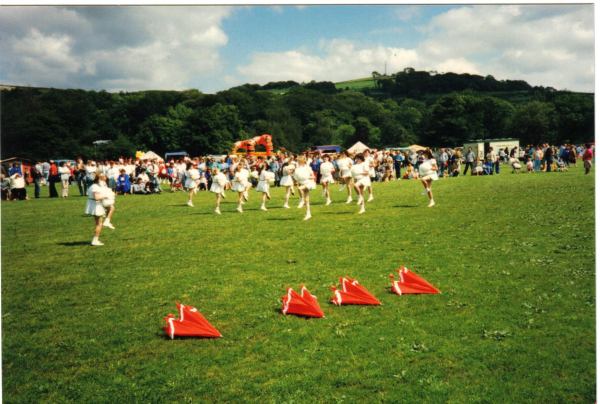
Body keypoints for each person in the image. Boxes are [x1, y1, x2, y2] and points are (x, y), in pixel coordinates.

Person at [85, 176, 115, 246]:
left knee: (111, 208)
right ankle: (95, 240)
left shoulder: (93, 186)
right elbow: (96, 198)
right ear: (98, 179)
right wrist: (105, 196)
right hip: (96, 205)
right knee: (99, 224)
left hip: (94, 204)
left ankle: (107, 221)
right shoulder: (95, 187)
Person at [292, 155, 315, 220]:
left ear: (303, 161)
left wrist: (306, 177)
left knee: (299, 188)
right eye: (298, 161)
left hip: (309, 183)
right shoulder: (298, 169)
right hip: (304, 183)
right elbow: (297, 177)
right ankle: (308, 214)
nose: (298, 163)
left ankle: (301, 200)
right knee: (307, 199)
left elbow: (313, 177)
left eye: (299, 161)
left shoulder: (308, 168)